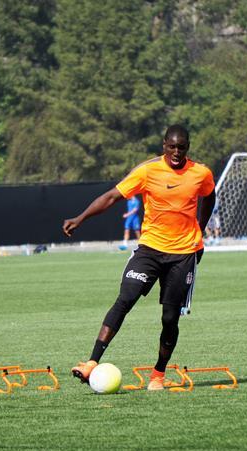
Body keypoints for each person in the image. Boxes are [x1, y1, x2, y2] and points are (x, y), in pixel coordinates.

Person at [62, 125, 216, 391]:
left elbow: (209, 196)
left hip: (183, 254)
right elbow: (112, 196)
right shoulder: (147, 171)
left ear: (187, 147)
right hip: (149, 249)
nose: (176, 152)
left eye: (181, 147)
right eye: (171, 146)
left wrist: (199, 230)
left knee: (170, 318)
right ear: (164, 145)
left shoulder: (201, 173)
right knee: (126, 297)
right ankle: (91, 362)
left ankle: (158, 375)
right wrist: (80, 218)